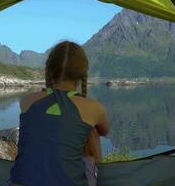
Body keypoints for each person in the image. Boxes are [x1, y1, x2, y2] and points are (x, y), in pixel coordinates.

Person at [9, 41, 109, 186]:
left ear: (49, 70)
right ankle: (103, 177)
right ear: (82, 73)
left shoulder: (27, 101)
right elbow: (104, 130)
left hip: (20, 182)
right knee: (91, 130)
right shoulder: (94, 108)